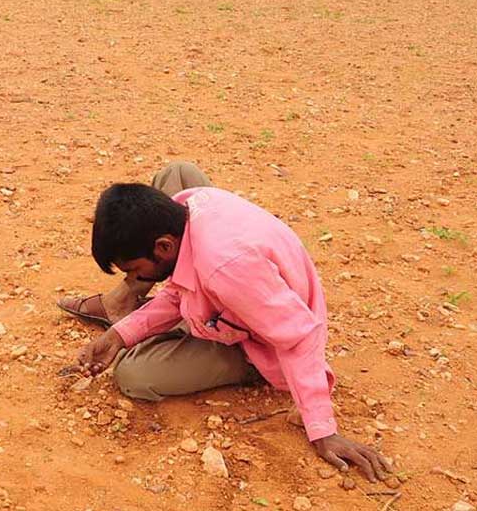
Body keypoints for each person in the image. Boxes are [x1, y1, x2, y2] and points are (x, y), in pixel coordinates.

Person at [63, 161, 393, 483]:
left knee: (133, 373)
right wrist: (122, 334)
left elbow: (299, 336)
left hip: (260, 341)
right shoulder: (191, 203)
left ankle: (247, 367)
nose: (137, 279)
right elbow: (179, 291)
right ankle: (121, 308)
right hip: (242, 291)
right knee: (176, 173)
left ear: (164, 245)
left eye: (135, 271)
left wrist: (324, 429)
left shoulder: (224, 269)